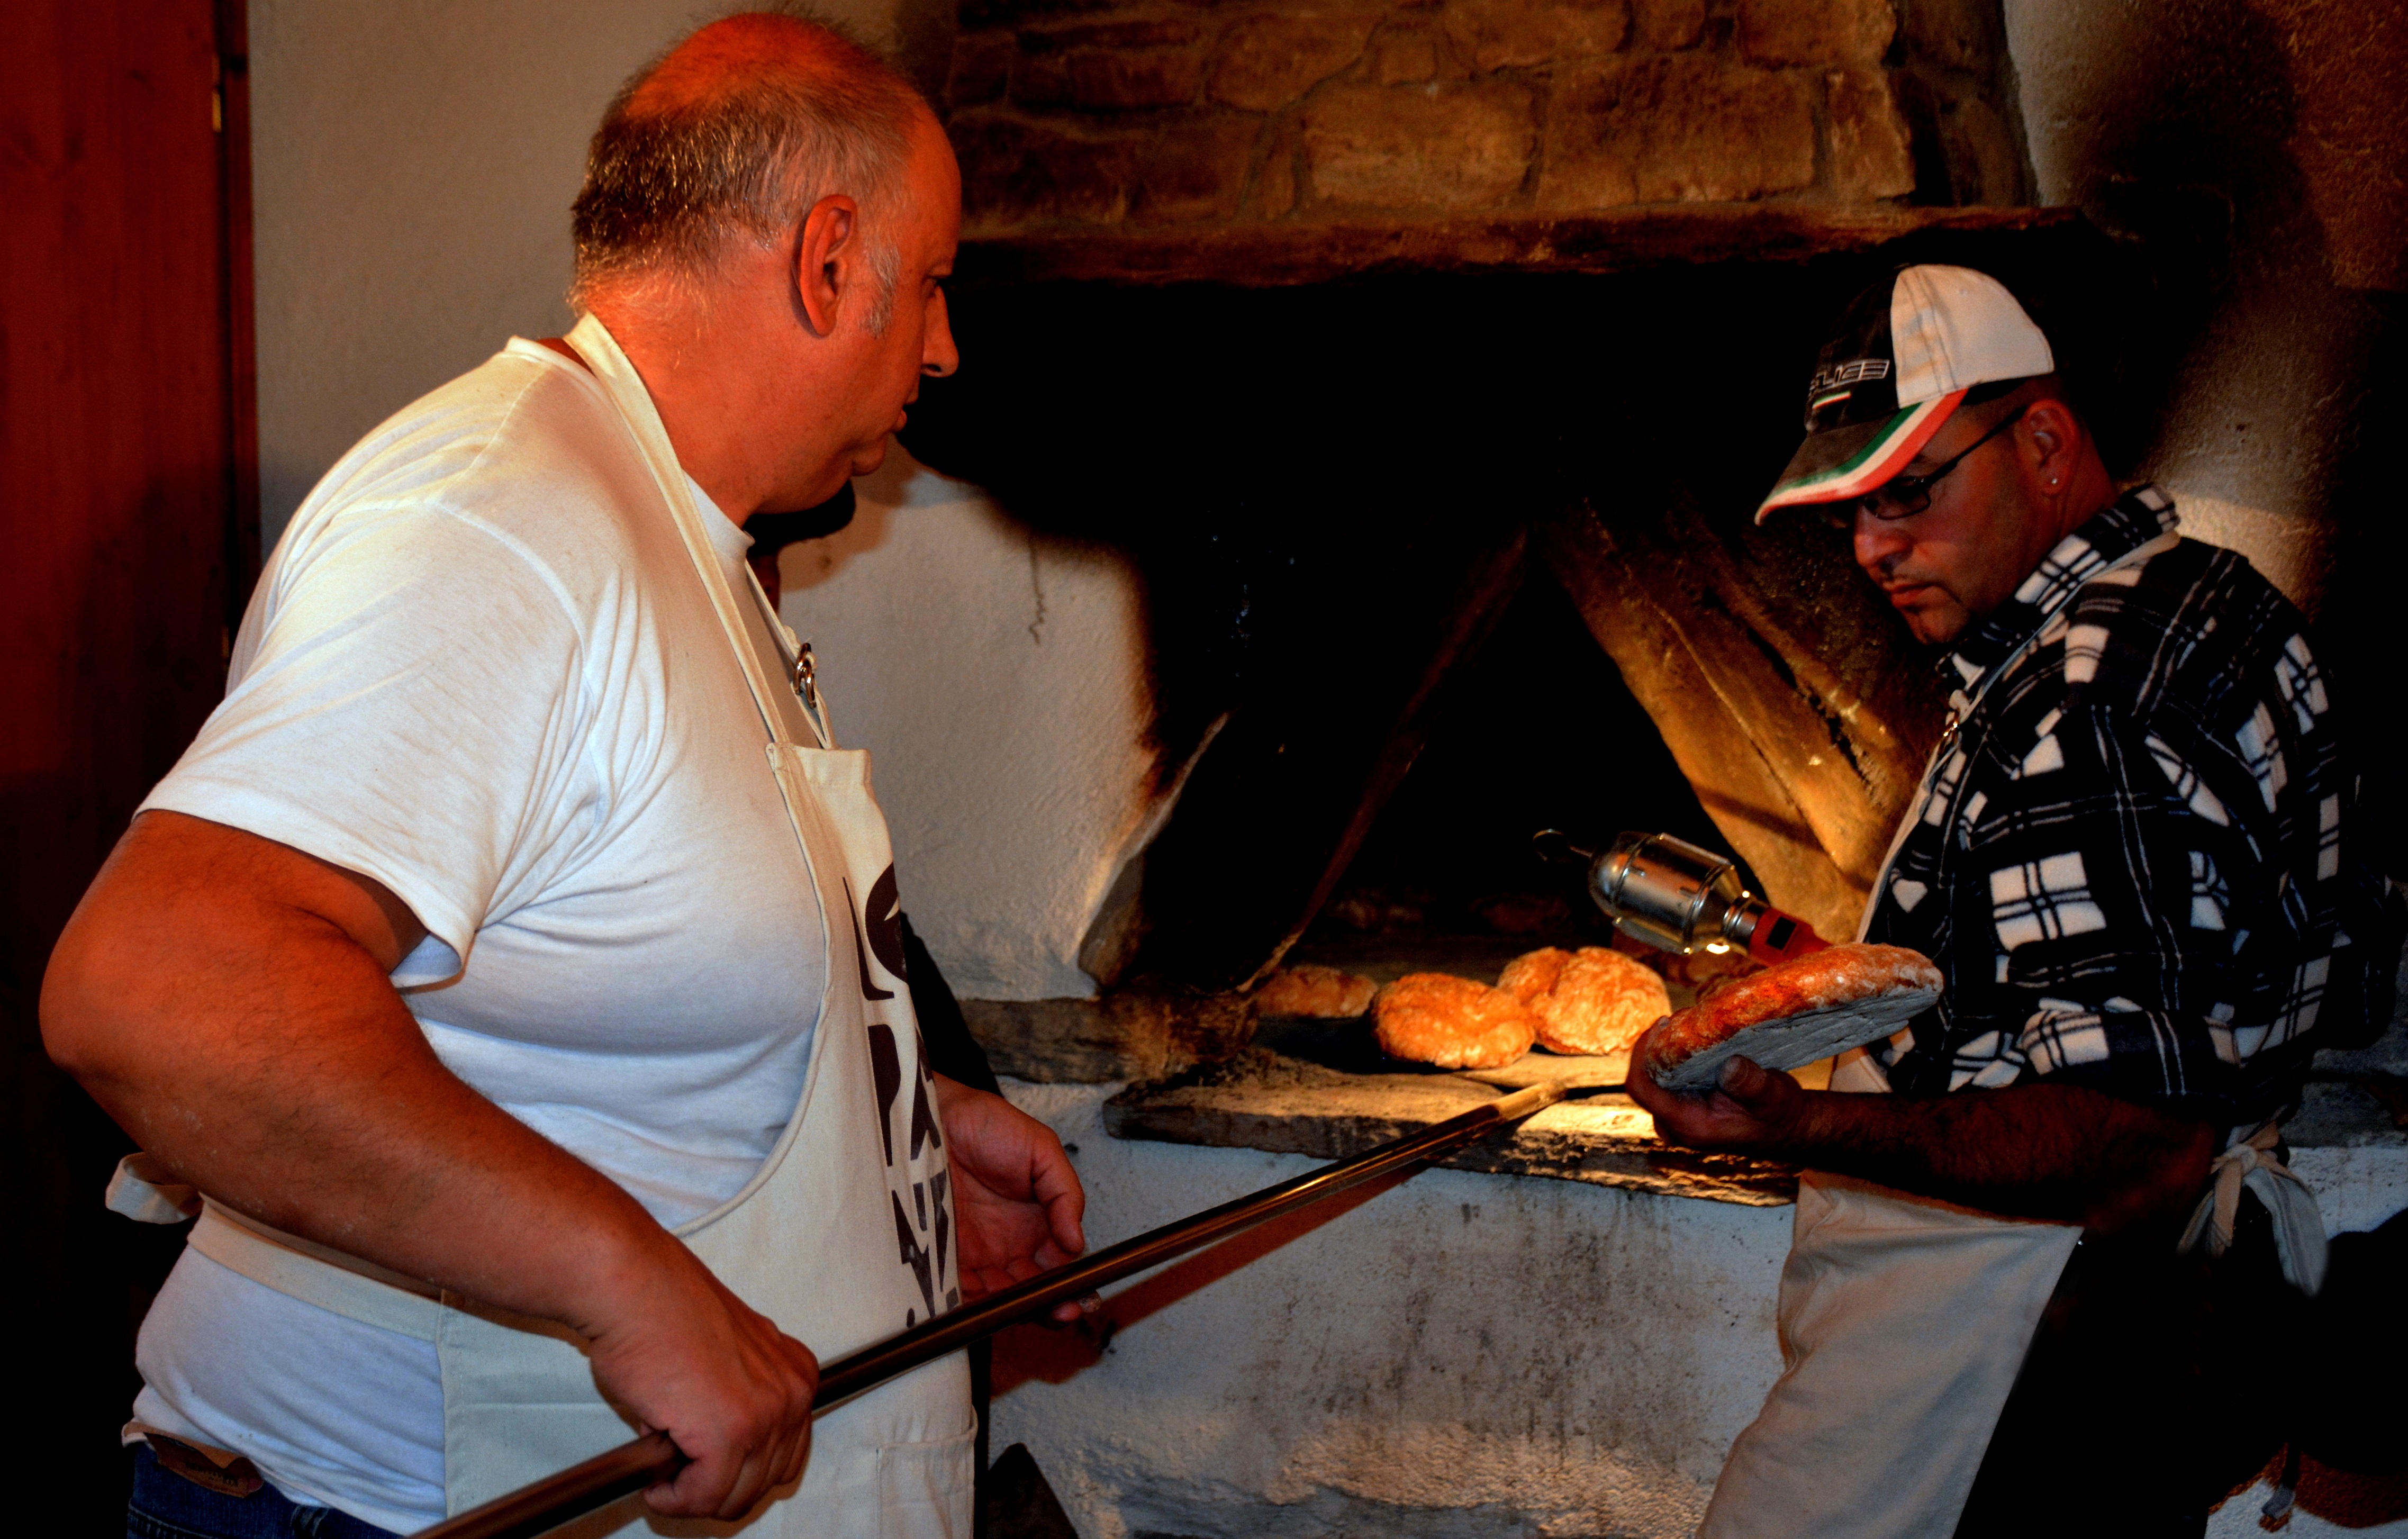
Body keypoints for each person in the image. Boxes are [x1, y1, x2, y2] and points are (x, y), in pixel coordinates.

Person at [42, 15, 1087, 1538]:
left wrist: (891, 1135)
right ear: (828, 259)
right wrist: (626, 1285)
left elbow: (570, 986)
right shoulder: (497, 520)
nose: (941, 346)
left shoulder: (680, 537)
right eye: (928, 285)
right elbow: (164, 984)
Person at [1625, 264, 2397, 1538]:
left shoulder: (2081, 694)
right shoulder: (2212, 605)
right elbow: (2327, 969)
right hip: (2148, 1317)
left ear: (2041, 441)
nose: (1874, 547)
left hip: (2017, 1331)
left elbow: (2127, 1136)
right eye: (1851, 512)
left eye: (1910, 493)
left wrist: (1789, 1123)